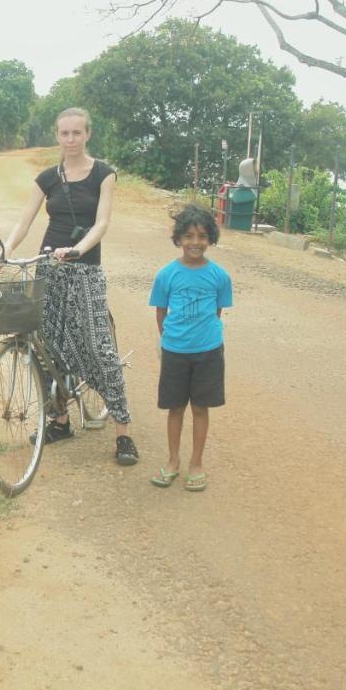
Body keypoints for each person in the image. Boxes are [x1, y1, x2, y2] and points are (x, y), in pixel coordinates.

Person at [0, 108, 138, 466]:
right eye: (64, 134)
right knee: (44, 346)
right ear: (56, 136)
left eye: (77, 133)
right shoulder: (46, 178)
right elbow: (25, 220)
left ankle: (123, 432)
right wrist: (4, 250)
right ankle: (59, 420)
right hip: (48, 267)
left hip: (83, 268)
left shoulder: (103, 174)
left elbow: (101, 222)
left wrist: (77, 250)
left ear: (88, 134)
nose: (70, 140)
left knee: (99, 348)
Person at [147, 204, 232, 491]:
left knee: (200, 408)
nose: (196, 243)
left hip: (208, 351)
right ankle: (173, 461)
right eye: (189, 236)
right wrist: (170, 340)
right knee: (175, 408)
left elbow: (217, 312)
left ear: (211, 239)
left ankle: (196, 463)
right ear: (179, 239)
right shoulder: (166, 274)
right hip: (175, 351)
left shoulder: (220, 276)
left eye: (202, 236)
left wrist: (202, 337)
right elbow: (161, 312)